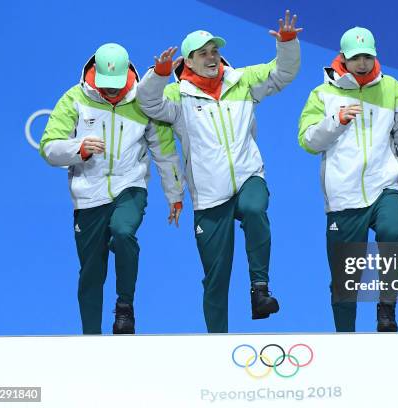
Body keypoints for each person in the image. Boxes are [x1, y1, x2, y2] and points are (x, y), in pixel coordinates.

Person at [136, 11, 302, 333]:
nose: (212, 57)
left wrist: (287, 43)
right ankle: (216, 342)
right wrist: (158, 74)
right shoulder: (176, 96)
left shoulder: (243, 80)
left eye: (214, 50)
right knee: (216, 276)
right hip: (210, 195)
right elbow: (149, 103)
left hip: (246, 176)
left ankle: (260, 289)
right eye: (203, 53)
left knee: (255, 208)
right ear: (189, 61)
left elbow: (283, 72)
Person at [40, 43, 185, 335]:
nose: (111, 92)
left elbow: (165, 151)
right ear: (94, 74)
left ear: (127, 74)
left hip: (129, 186)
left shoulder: (143, 100)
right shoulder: (74, 99)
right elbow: (49, 147)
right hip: (88, 196)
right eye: (105, 86)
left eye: (116, 85)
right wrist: (78, 148)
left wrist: (175, 194)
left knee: (123, 231)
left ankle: (124, 307)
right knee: (91, 274)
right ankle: (91, 339)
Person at [298, 27, 398, 332]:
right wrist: (336, 120)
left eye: (367, 56)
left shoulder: (394, 90)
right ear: (343, 58)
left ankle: (387, 306)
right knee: (344, 280)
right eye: (356, 57)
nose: (362, 63)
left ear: (375, 56)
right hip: (343, 195)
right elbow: (307, 141)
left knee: (392, 230)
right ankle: (345, 338)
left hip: (385, 184)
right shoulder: (323, 95)